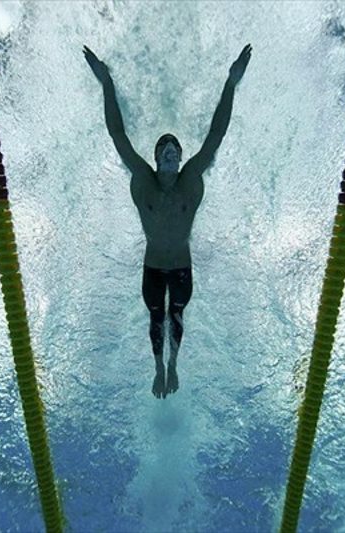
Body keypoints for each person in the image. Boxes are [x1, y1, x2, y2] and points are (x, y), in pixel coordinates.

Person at [84, 44, 252, 399]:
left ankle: (172, 364)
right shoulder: (143, 178)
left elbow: (216, 135)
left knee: (175, 316)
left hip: (181, 268)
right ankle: (158, 367)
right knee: (155, 318)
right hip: (152, 267)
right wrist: (106, 82)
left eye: (175, 146)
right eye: (165, 146)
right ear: (157, 157)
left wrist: (231, 83)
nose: (172, 149)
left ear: (180, 158)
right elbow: (118, 135)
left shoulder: (191, 178)